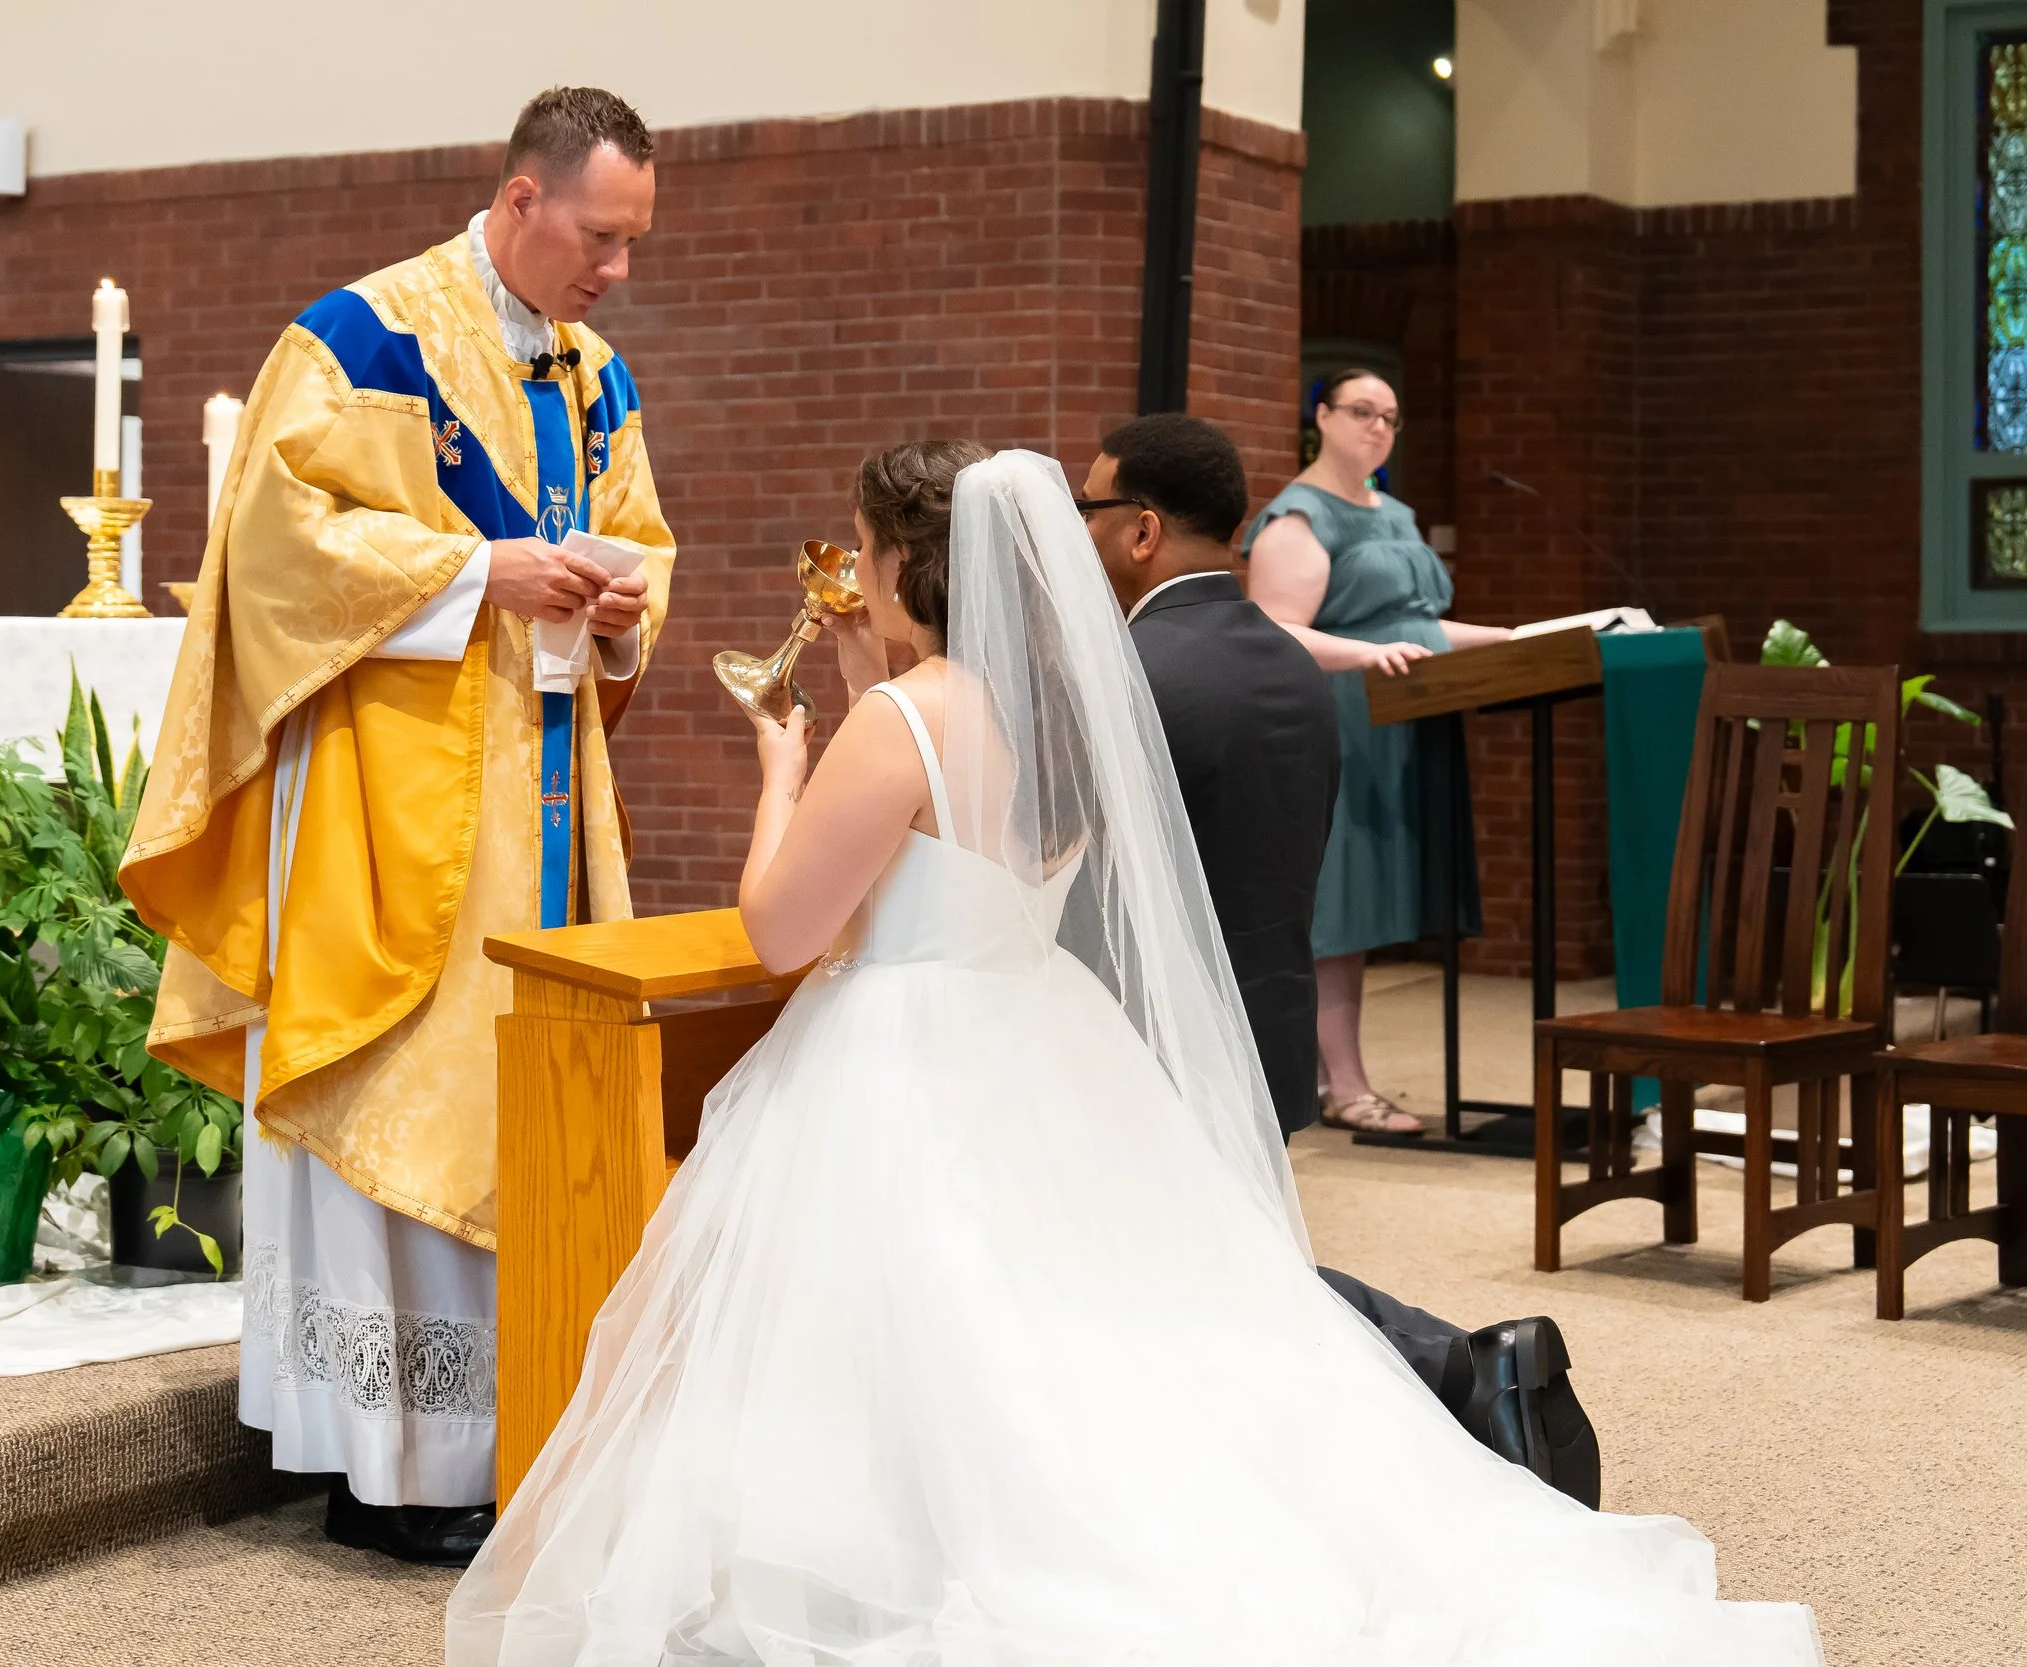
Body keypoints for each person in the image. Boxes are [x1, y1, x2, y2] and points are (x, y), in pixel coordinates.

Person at [445, 446, 1821, 1664]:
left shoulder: (898, 720)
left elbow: (779, 928)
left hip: (906, 1047)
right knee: (1064, 1318)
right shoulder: (1058, 714)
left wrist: (780, 773)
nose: (850, 577)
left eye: (861, 553)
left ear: (906, 567)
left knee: (930, 1313)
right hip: (1038, 1030)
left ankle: (903, 1548)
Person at [121, 88, 675, 1567]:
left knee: (530, 1096)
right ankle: (389, 1463)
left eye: (633, 242)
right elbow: (273, 550)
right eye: (600, 237)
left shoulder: (591, 374)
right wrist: (475, 571)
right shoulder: (361, 342)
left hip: (545, 788)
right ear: (520, 200)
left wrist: (625, 605)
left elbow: (644, 538)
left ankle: (508, 1437)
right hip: (391, 792)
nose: (616, 271)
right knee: (400, 1093)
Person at [1084, 410, 1597, 1502]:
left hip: (1150, 1033)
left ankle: (1458, 1367)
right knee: (1210, 1273)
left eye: (1089, 508)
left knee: (1193, 1278)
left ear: (1137, 528)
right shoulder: (1288, 664)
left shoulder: (1130, 673)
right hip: (1265, 1026)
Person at [1245, 369, 1509, 1136]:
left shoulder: (1395, 512)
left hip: (1406, 716)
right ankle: (1343, 1084)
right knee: (1338, 907)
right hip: (1342, 723)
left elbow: (1414, 625)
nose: (1377, 428)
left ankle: (1344, 1077)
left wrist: (1507, 641)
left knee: (1364, 911)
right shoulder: (1297, 518)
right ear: (1320, 417)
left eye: (1390, 416)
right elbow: (1276, 631)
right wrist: (1363, 657)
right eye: (1361, 411)